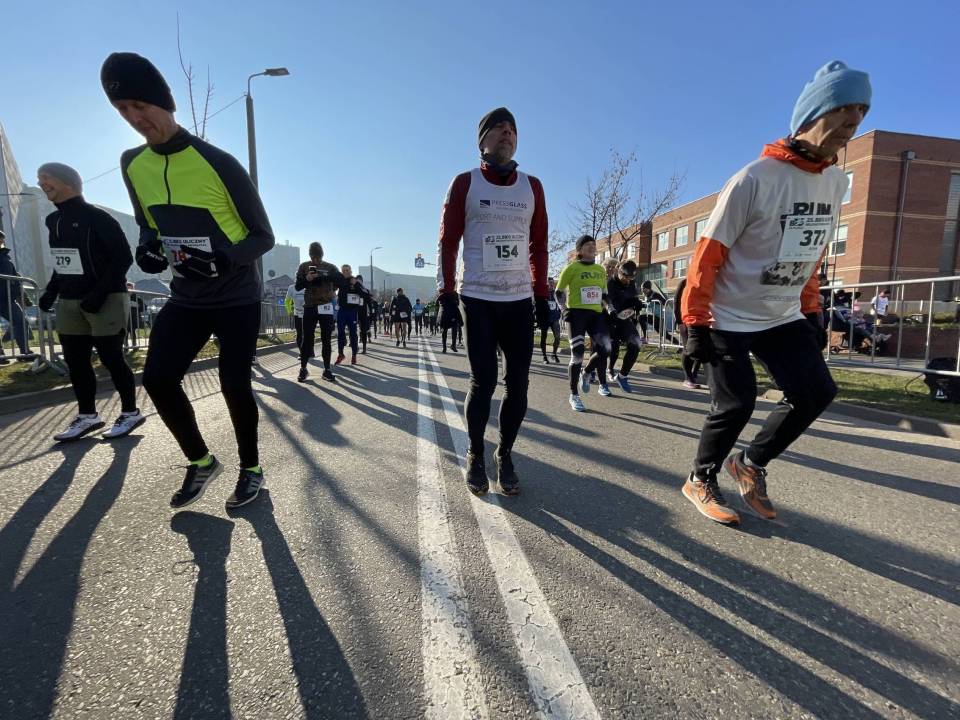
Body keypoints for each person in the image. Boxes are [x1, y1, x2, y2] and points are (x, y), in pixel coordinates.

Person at [681, 59, 870, 525]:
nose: (854, 121)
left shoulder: (836, 182)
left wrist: (812, 310)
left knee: (815, 392)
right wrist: (694, 323)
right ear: (812, 114)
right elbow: (706, 256)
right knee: (737, 402)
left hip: (781, 313)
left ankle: (750, 462)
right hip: (727, 314)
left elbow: (811, 252)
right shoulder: (754, 179)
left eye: (862, 112)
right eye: (845, 108)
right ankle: (700, 478)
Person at [104, 52, 274, 508]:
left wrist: (224, 259)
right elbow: (148, 223)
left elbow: (263, 236)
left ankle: (252, 470)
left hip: (236, 295)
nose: (135, 118)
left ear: (166, 102)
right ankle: (201, 461)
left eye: (141, 105)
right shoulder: (131, 163)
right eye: (122, 110)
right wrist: (146, 248)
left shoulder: (218, 162)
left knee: (234, 384)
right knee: (159, 379)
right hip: (187, 297)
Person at [436, 107, 550, 496]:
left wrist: (541, 296)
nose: (507, 132)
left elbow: (539, 246)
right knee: (482, 381)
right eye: (498, 127)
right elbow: (448, 242)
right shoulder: (464, 183)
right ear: (482, 139)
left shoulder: (532, 187)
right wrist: (446, 294)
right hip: (478, 298)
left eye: (512, 128)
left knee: (518, 384)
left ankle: (505, 453)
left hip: (518, 300)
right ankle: (475, 453)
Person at [35, 162, 144, 441]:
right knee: (76, 360)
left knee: (110, 357)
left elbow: (123, 258)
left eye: (46, 178)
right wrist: (51, 290)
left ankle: (130, 412)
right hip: (70, 299)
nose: (41, 183)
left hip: (106, 297)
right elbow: (63, 260)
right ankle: (87, 416)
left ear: (67, 182)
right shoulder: (53, 220)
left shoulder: (98, 217)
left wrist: (99, 293)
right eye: (39, 179)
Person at [557, 236, 612, 411]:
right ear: (579, 250)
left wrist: (610, 308)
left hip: (596, 315)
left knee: (606, 349)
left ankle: (587, 372)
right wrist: (564, 309)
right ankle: (574, 394)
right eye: (587, 245)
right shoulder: (571, 268)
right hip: (576, 315)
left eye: (594, 245)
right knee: (578, 354)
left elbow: (604, 294)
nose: (592, 247)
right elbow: (558, 292)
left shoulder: (600, 269)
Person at [295, 242, 343, 382]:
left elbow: (340, 281)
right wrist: (307, 279)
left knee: (326, 339)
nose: (315, 260)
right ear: (310, 256)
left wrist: (326, 280)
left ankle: (327, 370)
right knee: (307, 338)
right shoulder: (304, 267)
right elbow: (297, 286)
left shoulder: (330, 267)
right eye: (313, 257)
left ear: (322, 255)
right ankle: (303, 369)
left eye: (318, 257)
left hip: (325, 306)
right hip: (310, 306)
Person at [605, 260, 645, 393]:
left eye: (630, 278)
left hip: (624, 319)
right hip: (610, 320)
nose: (627, 280)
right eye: (625, 277)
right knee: (611, 349)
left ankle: (622, 376)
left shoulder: (631, 283)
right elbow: (608, 302)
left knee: (636, 343)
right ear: (618, 271)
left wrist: (637, 303)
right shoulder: (610, 283)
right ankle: (598, 370)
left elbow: (631, 297)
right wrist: (614, 311)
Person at [0, 230, 32, 363]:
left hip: (7, 298)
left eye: (1, 239)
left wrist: (23, 296)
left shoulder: (5, 257)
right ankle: (1, 357)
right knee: (20, 321)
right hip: (4, 297)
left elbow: (15, 277)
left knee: (21, 321)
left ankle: (25, 352)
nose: (1, 241)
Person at [335, 264, 369, 364]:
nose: (345, 272)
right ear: (341, 272)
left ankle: (354, 355)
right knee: (340, 333)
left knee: (353, 333)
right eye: (343, 270)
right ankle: (341, 354)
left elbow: (365, 294)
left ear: (351, 271)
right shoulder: (340, 280)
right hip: (342, 311)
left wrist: (356, 285)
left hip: (352, 312)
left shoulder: (355, 281)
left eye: (347, 270)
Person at [674, 277, 702, 389]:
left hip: (700, 320)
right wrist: (679, 322)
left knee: (700, 348)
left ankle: (694, 374)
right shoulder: (684, 282)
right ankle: (688, 378)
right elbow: (676, 303)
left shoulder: (704, 282)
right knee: (688, 349)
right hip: (685, 321)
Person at [538, 276, 562, 364]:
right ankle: (544, 357)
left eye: (552, 283)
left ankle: (554, 354)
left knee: (557, 337)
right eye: (549, 283)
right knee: (543, 337)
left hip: (555, 318)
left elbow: (561, 303)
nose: (551, 285)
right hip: (545, 319)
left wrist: (559, 312)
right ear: (546, 284)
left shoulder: (556, 293)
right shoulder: (543, 293)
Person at [284, 280, 306, 356]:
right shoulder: (291, 288)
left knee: (307, 333)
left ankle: (309, 350)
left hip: (307, 313)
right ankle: (301, 352)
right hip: (297, 313)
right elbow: (287, 300)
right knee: (299, 333)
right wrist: (289, 310)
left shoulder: (307, 286)